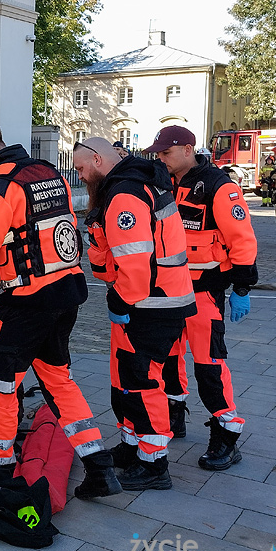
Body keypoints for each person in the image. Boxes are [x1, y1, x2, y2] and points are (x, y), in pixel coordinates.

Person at [0, 121, 121, 499]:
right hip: (66, 292)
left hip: (27, 302)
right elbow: (42, 234)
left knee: (0, 385)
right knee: (59, 381)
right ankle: (99, 466)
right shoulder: (47, 174)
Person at [73, 136, 196, 491]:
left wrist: (122, 301)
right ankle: (132, 445)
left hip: (151, 304)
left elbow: (134, 261)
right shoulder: (138, 183)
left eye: (81, 168)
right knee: (128, 380)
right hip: (158, 299)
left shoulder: (125, 194)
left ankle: (154, 462)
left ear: (98, 159)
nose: (80, 176)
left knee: (142, 383)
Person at [147, 126, 257, 470]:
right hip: (168, 291)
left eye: (166, 153)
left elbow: (242, 239)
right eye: (159, 154)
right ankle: (174, 414)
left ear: (187, 149)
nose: (160, 159)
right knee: (168, 358)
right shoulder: (163, 183)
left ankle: (227, 434)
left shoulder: (219, 186)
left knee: (209, 365)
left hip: (203, 293)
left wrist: (241, 287)